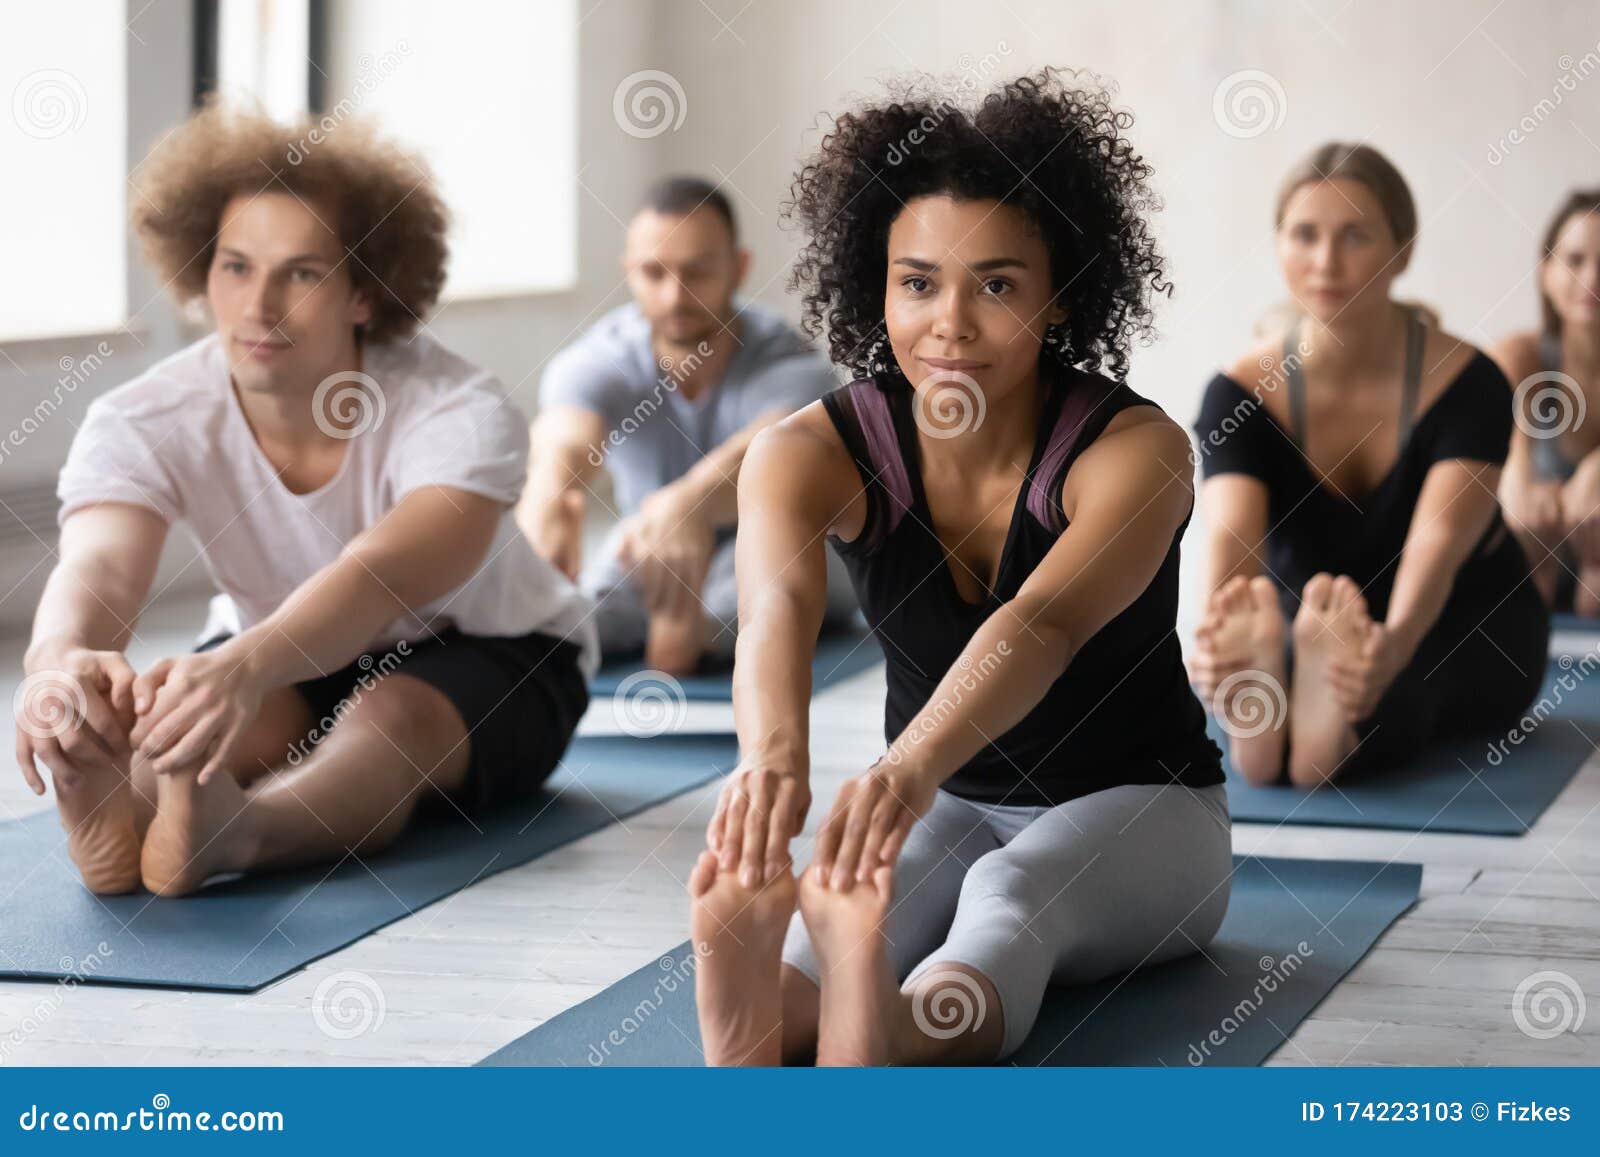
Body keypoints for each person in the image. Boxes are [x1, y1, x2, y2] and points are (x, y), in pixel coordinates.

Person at [683, 70, 1231, 1066]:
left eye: (997, 284)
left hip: (1146, 809)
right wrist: (771, 760)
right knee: (849, 915)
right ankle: (767, 1014)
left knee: (1008, 897)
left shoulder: (1134, 453)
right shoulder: (805, 451)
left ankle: (876, 1029)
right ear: (874, 285)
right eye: (918, 281)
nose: (951, 322)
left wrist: (901, 766)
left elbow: (1041, 625)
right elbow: (771, 610)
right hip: (948, 801)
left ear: (1059, 293)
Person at [13, 102, 596, 897]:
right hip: (277, 655)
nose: (259, 306)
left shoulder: (456, 407)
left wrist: (244, 665)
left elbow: (382, 574)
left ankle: (238, 832)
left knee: (384, 719)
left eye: (303, 272)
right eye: (236, 267)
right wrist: (58, 666)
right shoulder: (144, 417)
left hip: (492, 650)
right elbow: (101, 569)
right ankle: (120, 801)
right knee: (174, 733)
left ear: (364, 292)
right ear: (201, 273)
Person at [1189, 142, 1547, 789]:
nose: (1325, 261)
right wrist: (1215, 631)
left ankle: (1316, 731)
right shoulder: (1237, 393)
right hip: (1309, 621)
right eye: (1305, 235)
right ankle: (1277, 727)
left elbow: (1436, 542)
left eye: (1355, 235)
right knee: (1302, 658)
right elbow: (1233, 533)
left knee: (1405, 685)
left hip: (1464, 620)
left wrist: (1390, 649)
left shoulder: (1471, 383)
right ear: (1279, 246)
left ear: (1402, 250)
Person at [517, 177, 856, 675]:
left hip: (781, 543)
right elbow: (564, 441)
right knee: (568, 614)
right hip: (652, 549)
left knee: (773, 577)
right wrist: (548, 501)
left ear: (738, 268)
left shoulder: (791, 361)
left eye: (696, 273)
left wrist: (687, 504)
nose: (675, 296)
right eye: (653, 273)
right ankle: (663, 620)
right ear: (628, 273)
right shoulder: (598, 358)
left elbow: (766, 450)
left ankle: (694, 632)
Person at [1491, 189, 1600, 615]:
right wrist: (1518, 481)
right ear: (1545, 273)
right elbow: (1509, 471)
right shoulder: (1522, 357)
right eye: (1575, 261)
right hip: (1532, 584)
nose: (1591, 279)